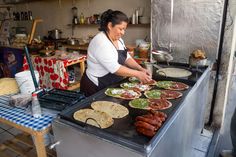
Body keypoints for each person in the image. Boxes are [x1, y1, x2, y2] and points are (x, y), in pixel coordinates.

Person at [80, 9, 151, 97]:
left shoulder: (119, 40)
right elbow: (115, 68)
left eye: (124, 29)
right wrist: (138, 74)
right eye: (120, 29)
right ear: (110, 25)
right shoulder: (101, 42)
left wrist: (140, 68)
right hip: (95, 86)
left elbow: (126, 57)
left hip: (111, 83)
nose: (123, 32)